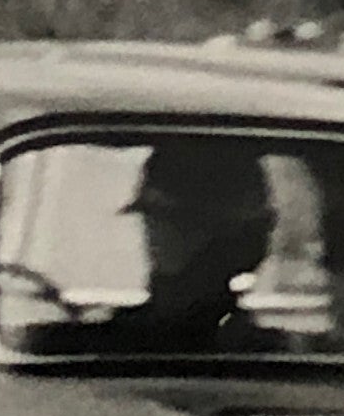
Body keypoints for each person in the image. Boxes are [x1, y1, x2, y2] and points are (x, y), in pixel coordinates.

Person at [24, 140, 282, 355]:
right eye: (153, 220)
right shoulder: (280, 352)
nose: (153, 237)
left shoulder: (100, 345)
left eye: (166, 222)